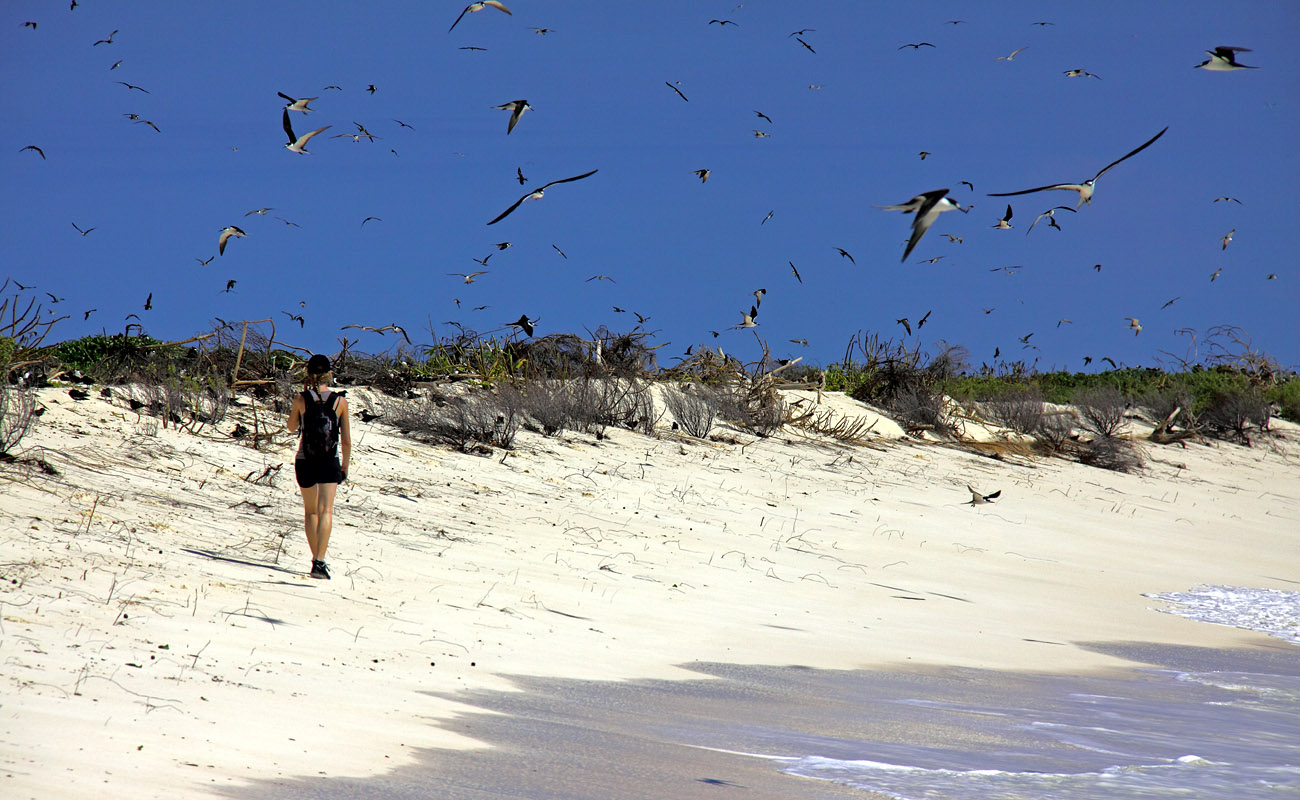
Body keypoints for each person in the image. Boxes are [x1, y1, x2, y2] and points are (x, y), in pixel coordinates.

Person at [286, 353, 350, 579]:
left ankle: (315, 560)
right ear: (329, 374)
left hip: (305, 459)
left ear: (308, 374)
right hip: (329, 460)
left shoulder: (301, 398)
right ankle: (320, 561)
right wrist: (345, 467)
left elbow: (291, 428)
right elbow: (345, 440)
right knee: (326, 511)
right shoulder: (340, 401)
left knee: (310, 511)